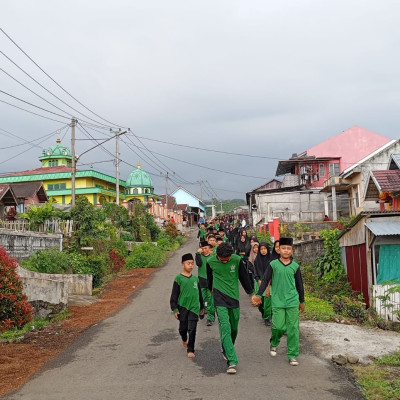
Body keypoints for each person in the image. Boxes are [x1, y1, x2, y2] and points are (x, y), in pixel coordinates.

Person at [251, 238, 305, 366]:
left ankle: (292, 355)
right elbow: (265, 280)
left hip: (292, 300)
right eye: (283, 248)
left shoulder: (295, 266)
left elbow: (299, 285)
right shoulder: (273, 264)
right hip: (278, 300)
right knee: (279, 327)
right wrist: (259, 294)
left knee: (293, 329)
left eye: (289, 249)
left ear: (292, 251)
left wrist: (301, 300)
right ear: (279, 250)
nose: (286, 251)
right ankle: (274, 342)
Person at [207, 243, 255, 374]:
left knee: (234, 328)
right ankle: (232, 360)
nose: (225, 261)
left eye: (227, 259)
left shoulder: (237, 260)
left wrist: (251, 294)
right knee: (225, 327)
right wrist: (210, 291)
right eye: (222, 259)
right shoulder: (210, 261)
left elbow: (244, 278)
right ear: (217, 256)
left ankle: (226, 348)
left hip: (233, 297)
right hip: (219, 298)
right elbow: (209, 278)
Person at [170, 253, 205, 358]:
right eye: (188, 263)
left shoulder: (195, 279)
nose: (191, 265)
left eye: (192, 263)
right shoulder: (178, 279)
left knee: (192, 329)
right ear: (182, 264)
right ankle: (184, 339)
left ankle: (191, 349)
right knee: (182, 329)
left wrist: (202, 307)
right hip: (183, 307)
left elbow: (199, 294)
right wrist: (175, 309)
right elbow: (174, 295)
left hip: (194, 308)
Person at [195, 242, 215, 326]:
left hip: (211, 281)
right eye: (202, 248)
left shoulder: (213, 258)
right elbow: (198, 263)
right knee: (201, 298)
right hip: (201, 280)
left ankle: (210, 318)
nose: (204, 250)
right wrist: (197, 253)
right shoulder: (200, 256)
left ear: (209, 249)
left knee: (210, 300)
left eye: (205, 248)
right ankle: (202, 310)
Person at [253, 242, 272, 326]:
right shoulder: (257, 259)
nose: (263, 251)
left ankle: (267, 318)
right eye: (261, 249)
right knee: (259, 302)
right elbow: (255, 271)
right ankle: (264, 313)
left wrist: (268, 282)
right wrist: (258, 279)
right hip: (259, 282)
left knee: (268, 302)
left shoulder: (272, 259)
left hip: (269, 283)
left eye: (265, 249)